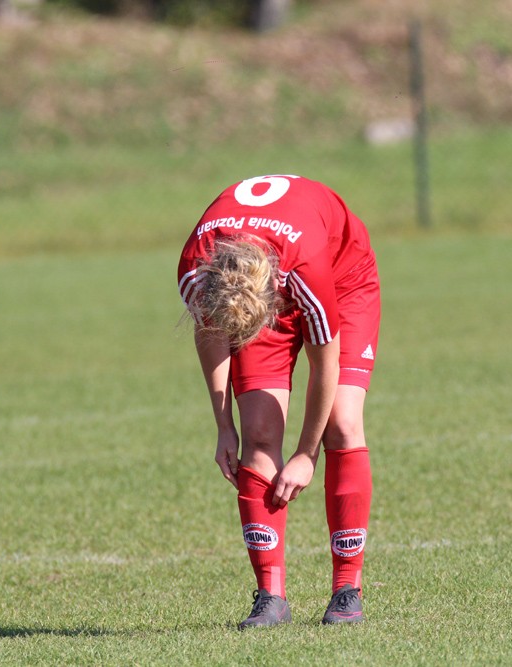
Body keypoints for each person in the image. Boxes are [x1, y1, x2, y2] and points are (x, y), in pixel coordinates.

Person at [177, 175, 380, 629]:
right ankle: (271, 596)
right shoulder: (196, 271)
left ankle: (347, 589)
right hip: (256, 278)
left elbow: (325, 364)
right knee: (259, 432)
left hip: (341, 278)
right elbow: (211, 332)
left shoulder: (306, 268)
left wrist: (307, 455)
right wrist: (223, 425)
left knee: (342, 422)